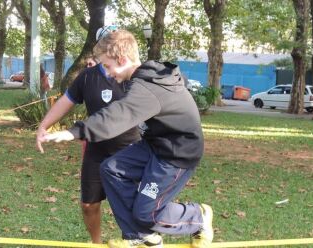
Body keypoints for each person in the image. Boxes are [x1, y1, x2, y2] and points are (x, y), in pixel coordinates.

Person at [41, 29, 213, 248]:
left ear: (121, 60)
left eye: (107, 66)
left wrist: (72, 131)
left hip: (177, 154)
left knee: (147, 214)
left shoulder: (147, 87)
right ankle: (137, 235)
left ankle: (198, 216)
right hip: (156, 144)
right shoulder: (145, 77)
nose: (107, 72)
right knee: (110, 168)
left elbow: (117, 115)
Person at [36, 29, 141, 243]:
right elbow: (67, 101)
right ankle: (96, 243)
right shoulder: (87, 76)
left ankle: (133, 241)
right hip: (97, 150)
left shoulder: (133, 76)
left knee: (131, 203)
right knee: (88, 204)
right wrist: (44, 125)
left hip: (130, 149)